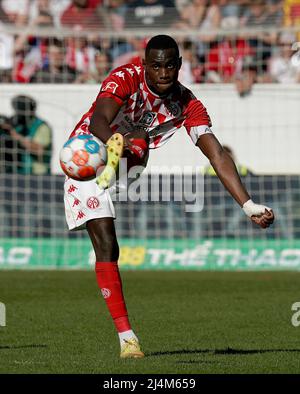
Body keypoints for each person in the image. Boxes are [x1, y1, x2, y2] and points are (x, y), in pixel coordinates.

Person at [63, 35, 274, 359]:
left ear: (179, 65)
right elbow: (98, 120)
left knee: (139, 141)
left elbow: (216, 153)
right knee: (107, 243)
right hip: (87, 155)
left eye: (170, 65)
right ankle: (127, 339)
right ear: (144, 64)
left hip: (131, 157)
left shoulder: (188, 104)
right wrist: (113, 143)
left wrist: (248, 205)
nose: (163, 72)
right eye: (156, 65)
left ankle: (122, 158)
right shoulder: (125, 77)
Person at [4, 95, 52, 174]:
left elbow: (39, 150)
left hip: (37, 175)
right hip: (16, 174)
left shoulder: (41, 126)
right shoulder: (15, 124)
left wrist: (15, 136)